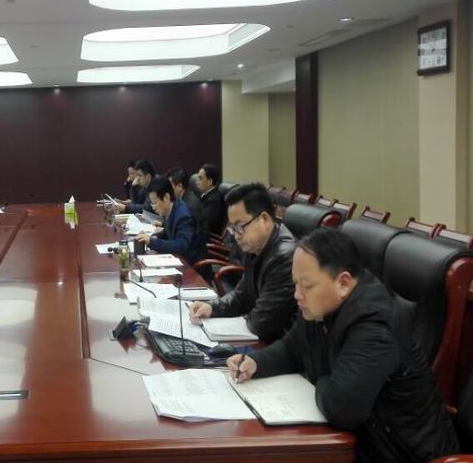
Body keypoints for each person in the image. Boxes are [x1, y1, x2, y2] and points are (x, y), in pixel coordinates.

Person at [227, 228, 459, 462]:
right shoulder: (322, 306)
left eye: (306, 286)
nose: (297, 295)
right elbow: (292, 348)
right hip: (365, 444)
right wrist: (255, 362)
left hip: (403, 455)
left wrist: (320, 379)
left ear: (344, 283)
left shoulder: (375, 326)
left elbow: (342, 409)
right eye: (296, 284)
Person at [188, 182, 297, 343]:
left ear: (264, 219)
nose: (235, 235)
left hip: (280, 347)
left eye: (239, 226)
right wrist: (212, 307)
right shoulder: (256, 246)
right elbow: (242, 294)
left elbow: (262, 322)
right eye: (232, 228)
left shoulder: (285, 257)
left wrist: (218, 327)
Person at [134, 177, 203, 265]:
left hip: (191, 266)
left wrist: (151, 242)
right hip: (177, 260)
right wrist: (149, 237)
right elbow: (167, 234)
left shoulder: (183, 215)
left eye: (155, 203)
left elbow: (181, 245)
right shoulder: (171, 209)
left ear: (166, 197)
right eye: (151, 203)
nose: (153, 207)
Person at [166, 166, 209, 239]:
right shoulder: (178, 199)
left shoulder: (189, 205)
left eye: (169, 186)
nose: (167, 189)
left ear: (179, 186)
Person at [196, 163, 227, 239]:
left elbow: (205, 226)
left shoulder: (214, 201)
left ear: (210, 181)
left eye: (200, 178)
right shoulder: (206, 195)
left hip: (210, 240)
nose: (197, 182)